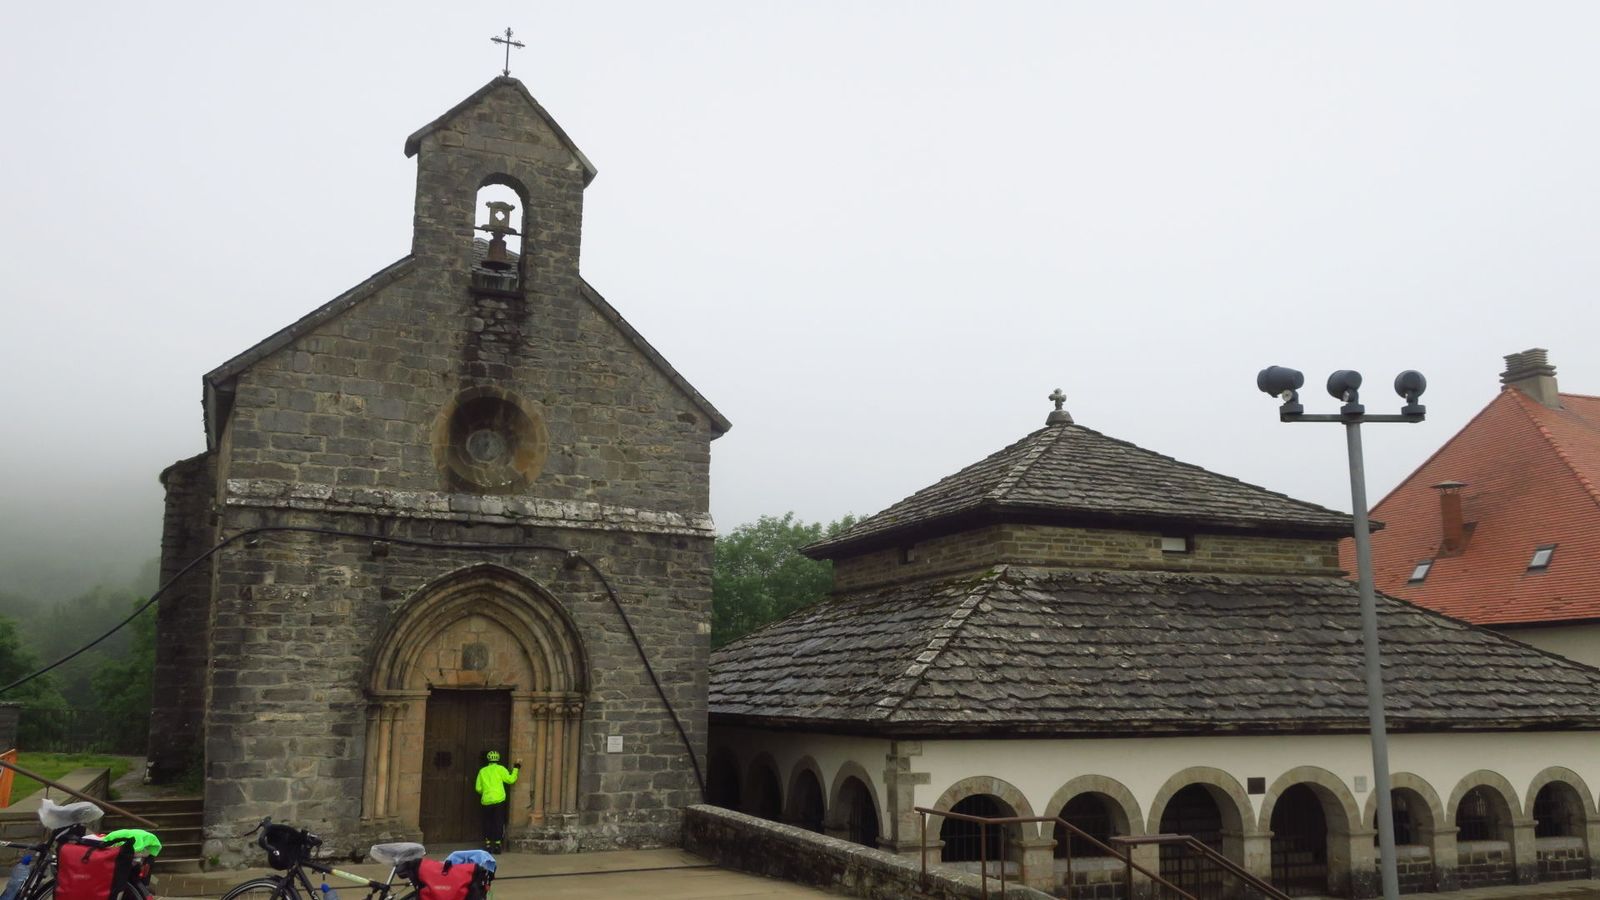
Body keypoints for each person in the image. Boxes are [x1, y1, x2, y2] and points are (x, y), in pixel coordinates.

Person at [473, 750, 520, 851]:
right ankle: (498, 844)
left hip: (486, 801)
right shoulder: (500, 769)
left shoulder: (482, 771)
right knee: (498, 822)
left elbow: (478, 788)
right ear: (498, 758)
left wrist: (486, 792)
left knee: (487, 822)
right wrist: (516, 768)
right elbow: (511, 780)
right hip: (499, 800)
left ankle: (488, 844)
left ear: (488, 759)